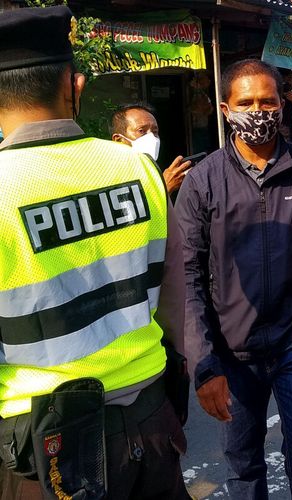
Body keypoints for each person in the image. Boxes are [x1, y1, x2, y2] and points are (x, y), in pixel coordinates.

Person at [0, 6, 190, 499]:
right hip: (148, 414)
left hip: (44, 444)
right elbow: (173, 299)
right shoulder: (140, 170)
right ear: (74, 85)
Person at [175, 59, 292, 499]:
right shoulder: (203, 181)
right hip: (232, 354)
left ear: (282, 105)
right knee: (244, 469)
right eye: (246, 102)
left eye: (268, 101)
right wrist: (205, 363)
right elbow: (187, 277)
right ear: (226, 109)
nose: (258, 111)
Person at [111, 104, 193, 195]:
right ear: (118, 139)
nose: (152, 137)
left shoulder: (151, 173)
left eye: (155, 132)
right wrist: (164, 187)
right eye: (141, 131)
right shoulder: (110, 176)